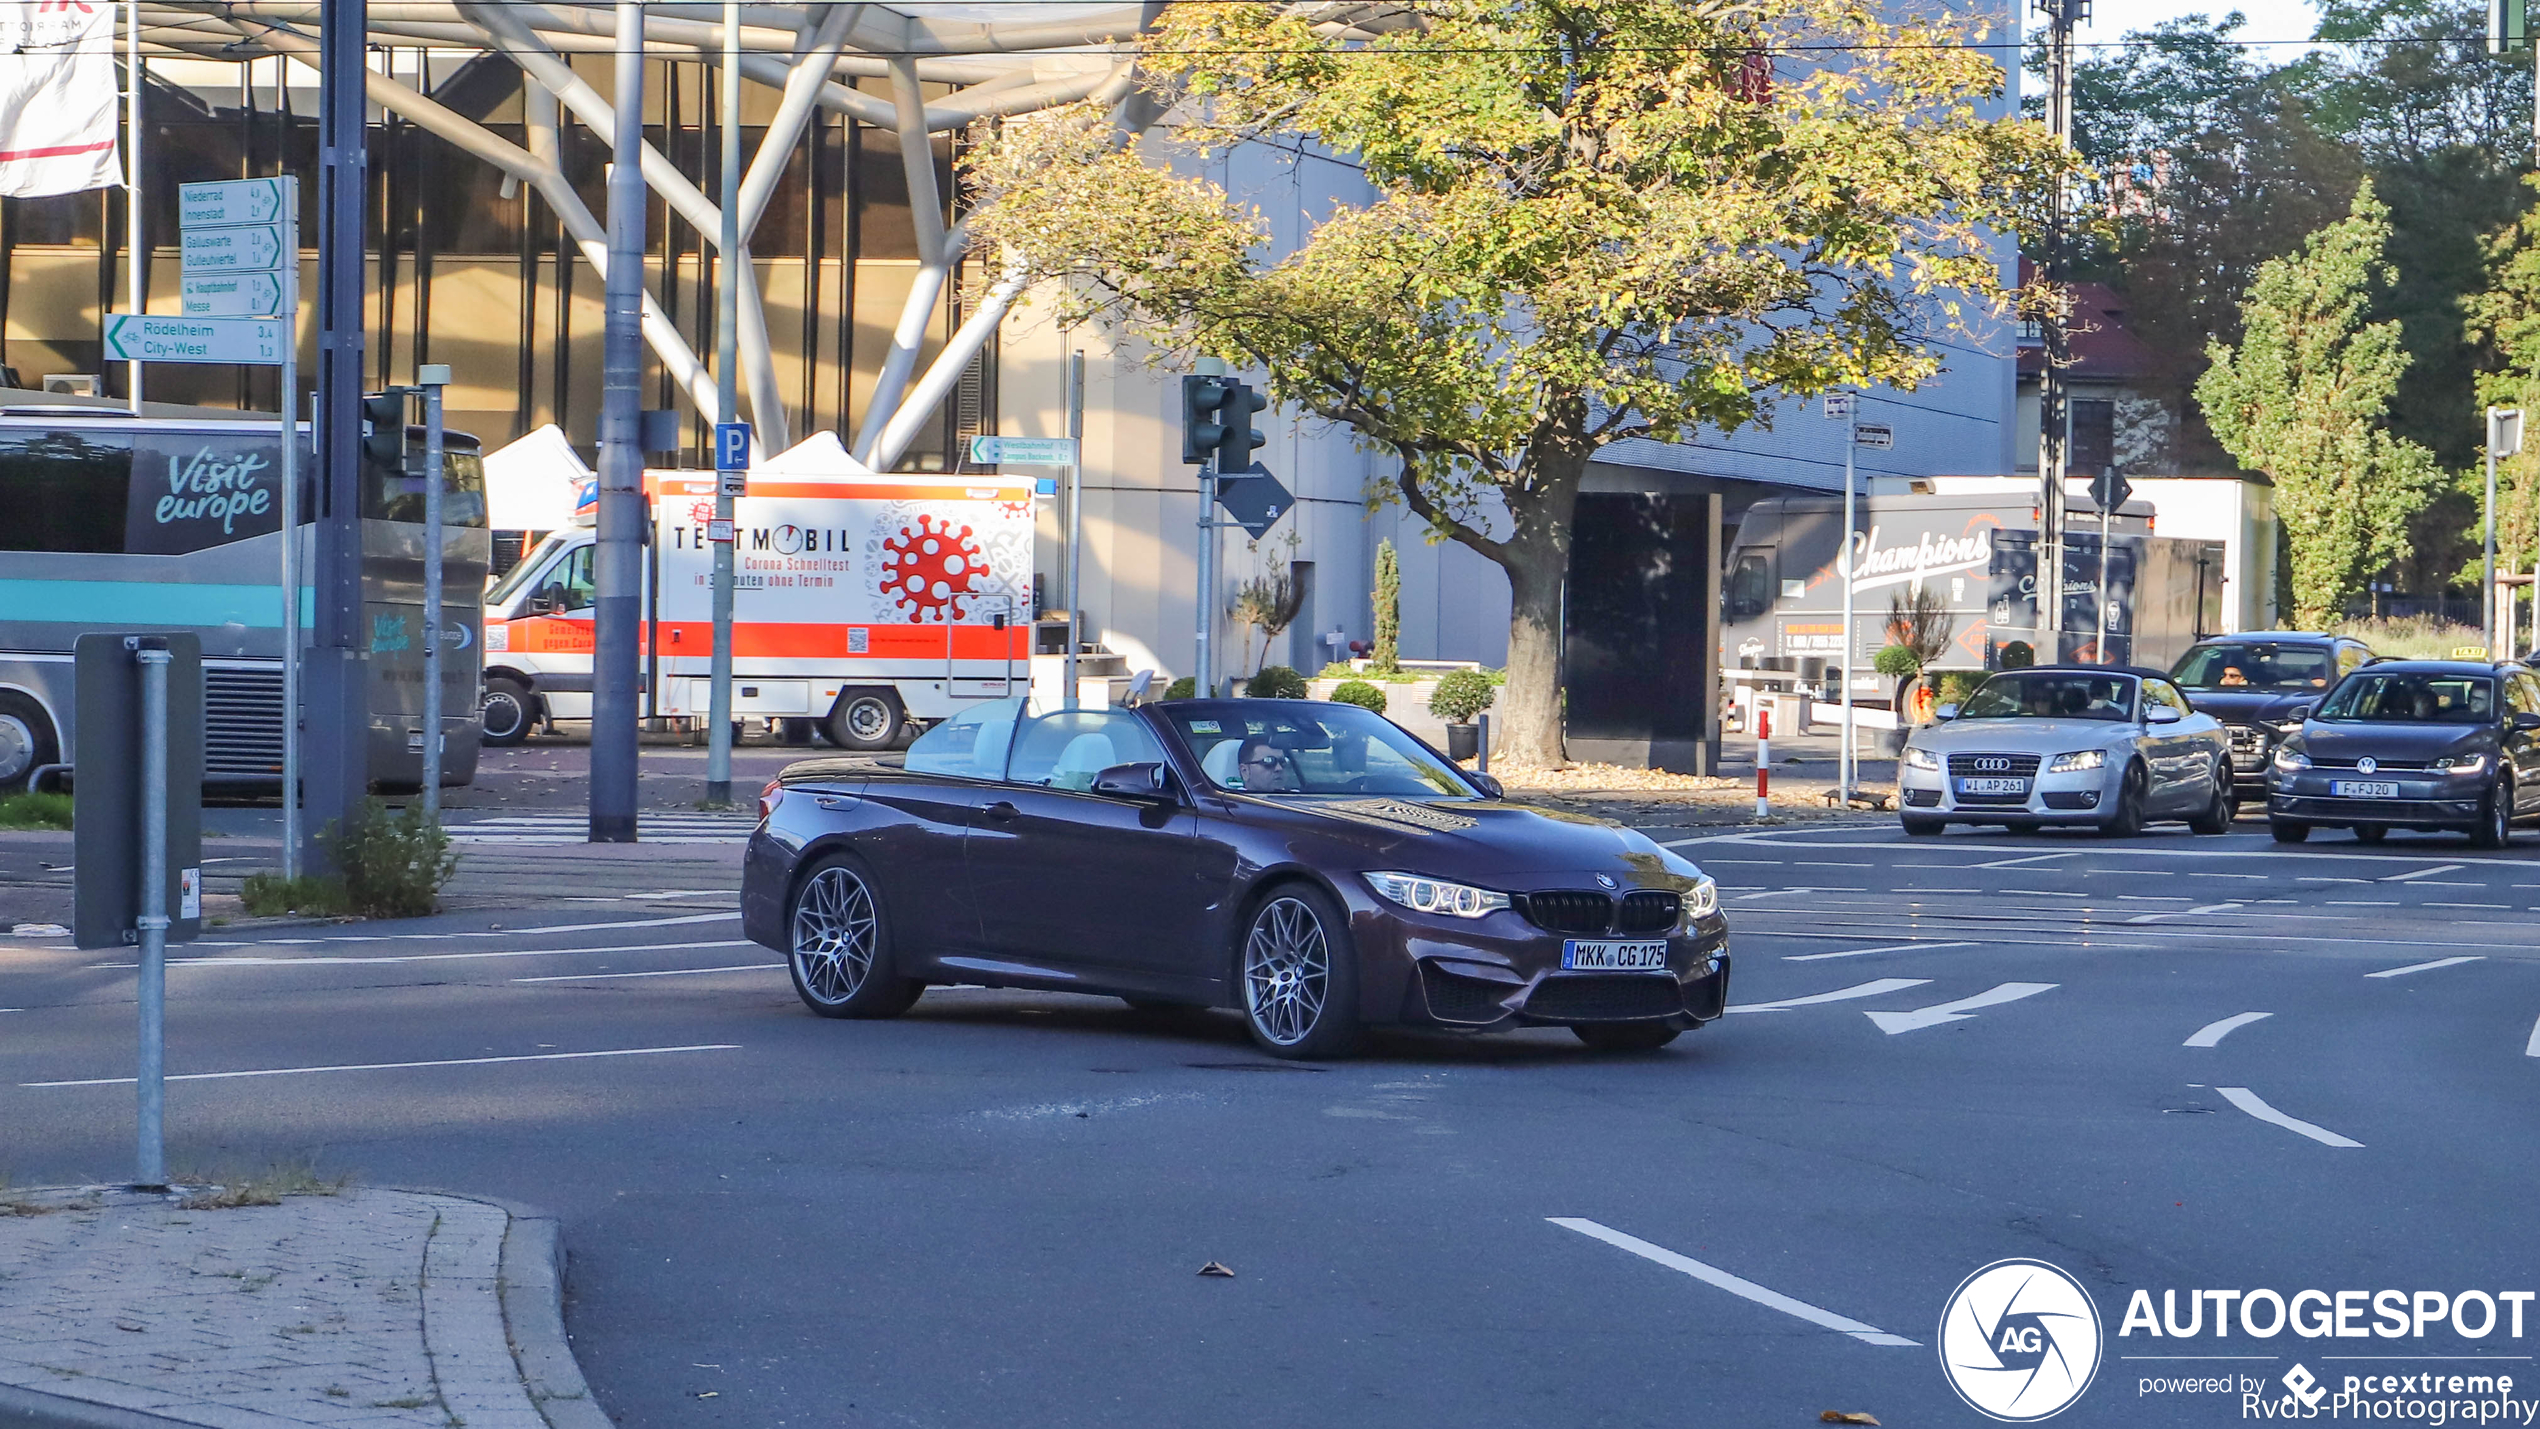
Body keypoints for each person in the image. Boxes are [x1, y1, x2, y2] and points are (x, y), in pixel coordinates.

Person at [1235, 737, 1302, 793]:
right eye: (1268, 761)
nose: (1279, 768)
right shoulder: (1235, 802)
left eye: (1282, 761)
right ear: (1245, 771)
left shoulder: (1298, 797)